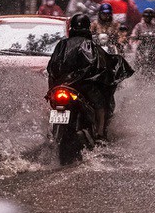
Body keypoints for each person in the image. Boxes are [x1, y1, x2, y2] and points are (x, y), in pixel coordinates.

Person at [47, 13, 134, 142]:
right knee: (100, 105)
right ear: (88, 28)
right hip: (82, 86)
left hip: (60, 86)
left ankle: (51, 134)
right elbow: (98, 65)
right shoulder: (88, 45)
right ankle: (100, 135)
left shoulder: (62, 44)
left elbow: (51, 67)